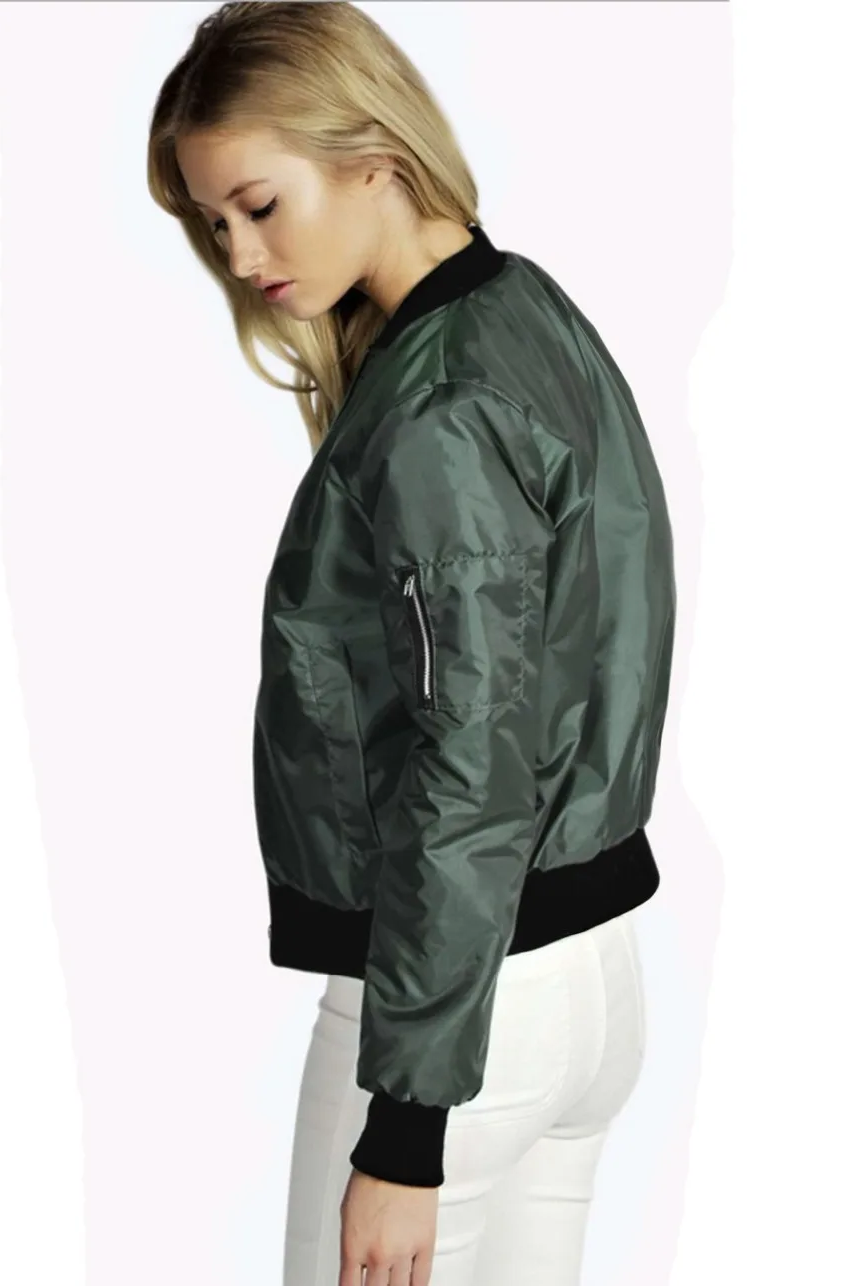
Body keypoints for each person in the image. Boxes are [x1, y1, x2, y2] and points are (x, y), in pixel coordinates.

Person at [146, 4, 676, 1284]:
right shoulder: (526, 311)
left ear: (374, 159)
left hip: (451, 1014)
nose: (240, 254)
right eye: (214, 224)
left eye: (259, 205)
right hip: (585, 981)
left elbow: (470, 757)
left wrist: (405, 1127)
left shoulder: (442, 404)